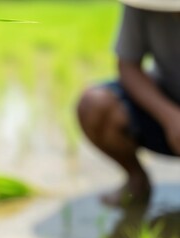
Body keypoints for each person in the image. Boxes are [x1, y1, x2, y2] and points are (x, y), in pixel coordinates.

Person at [77, 0, 180, 207]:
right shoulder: (144, 5)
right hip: (168, 101)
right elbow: (128, 65)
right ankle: (137, 179)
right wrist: (171, 117)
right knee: (94, 105)